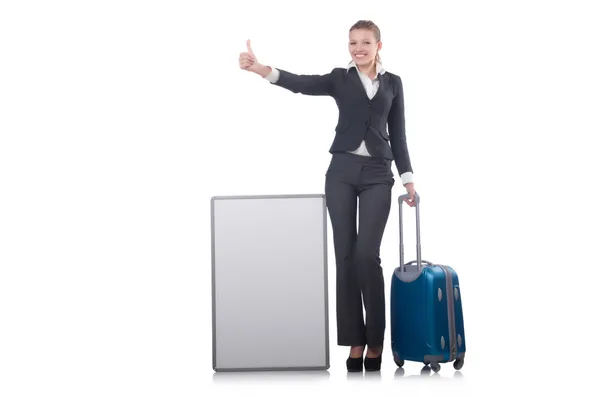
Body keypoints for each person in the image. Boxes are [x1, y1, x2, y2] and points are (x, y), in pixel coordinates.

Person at [238, 20, 416, 372]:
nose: (358, 48)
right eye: (352, 43)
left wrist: (408, 179)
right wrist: (262, 70)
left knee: (368, 255)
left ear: (379, 45)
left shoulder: (393, 83)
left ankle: (377, 338)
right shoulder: (339, 77)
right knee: (346, 256)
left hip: (379, 174)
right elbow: (301, 84)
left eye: (365, 42)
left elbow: (399, 134)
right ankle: (355, 340)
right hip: (341, 173)